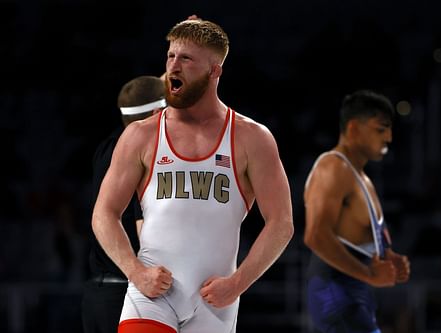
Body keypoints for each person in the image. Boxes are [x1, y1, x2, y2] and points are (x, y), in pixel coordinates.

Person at [91, 17, 294, 333]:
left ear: (214, 71)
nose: (173, 66)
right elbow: (104, 213)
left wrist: (238, 283)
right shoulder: (141, 135)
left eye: (186, 58)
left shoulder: (252, 138)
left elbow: (281, 223)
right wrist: (135, 272)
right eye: (171, 56)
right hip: (151, 295)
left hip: (215, 301)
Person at [303, 90, 411, 333]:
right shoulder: (332, 167)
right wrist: (370, 274)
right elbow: (315, 235)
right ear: (353, 129)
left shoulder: (362, 178)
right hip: (335, 292)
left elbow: (361, 240)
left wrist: (390, 259)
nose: (389, 138)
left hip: (354, 294)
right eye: (380, 129)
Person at [82, 75, 167, 333]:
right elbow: (143, 224)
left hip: (97, 294)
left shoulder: (106, 147)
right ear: (156, 112)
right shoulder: (139, 154)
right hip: (129, 294)